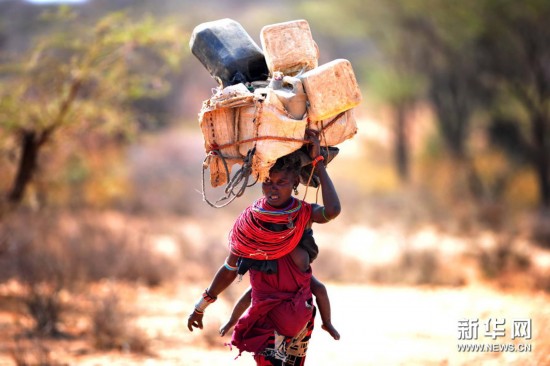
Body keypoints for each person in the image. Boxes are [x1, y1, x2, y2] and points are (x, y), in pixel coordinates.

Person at [187, 129, 341, 365]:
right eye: (268, 183)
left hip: (300, 317)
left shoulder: (303, 214)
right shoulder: (251, 223)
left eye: (281, 182)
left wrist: (319, 162)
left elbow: (332, 211)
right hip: (265, 318)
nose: (273, 189)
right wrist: (202, 305)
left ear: (295, 182)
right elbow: (230, 268)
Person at [219, 275, 340, 341]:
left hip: (296, 322)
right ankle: (327, 323)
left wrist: (232, 321)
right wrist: (231, 321)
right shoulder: (268, 266)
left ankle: (327, 323)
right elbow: (248, 296)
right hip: (274, 322)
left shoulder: (296, 262)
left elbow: (320, 290)